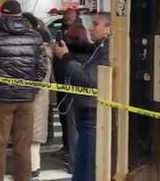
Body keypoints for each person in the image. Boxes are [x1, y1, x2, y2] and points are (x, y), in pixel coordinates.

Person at [0, 0, 47, 181]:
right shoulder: (35, 37)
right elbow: (42, 68)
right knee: (22, 146)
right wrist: (31, 88)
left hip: (0, 98)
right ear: (20, 14)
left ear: (2, 14)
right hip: (26, 98)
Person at [54, 12, 110, 181]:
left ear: (109, 29)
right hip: (87, 113)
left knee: (87, 167)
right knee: (82, 164)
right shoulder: (98, 48)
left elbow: (89, 79)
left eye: (96, 24)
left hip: (93, 115)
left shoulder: (107, 50)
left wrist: (66, 57)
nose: (91, 28)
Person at [53, 23, 94, 173]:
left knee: (74, 134)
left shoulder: (66, 55)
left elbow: (60, 74)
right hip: (92, 99)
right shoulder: (93, 51)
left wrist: (62, 56)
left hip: (73, 99)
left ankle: (73, 165)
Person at [22, 12, 53, 178]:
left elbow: (42, 77)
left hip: (36, 96)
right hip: (34, 95)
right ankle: (32, 166)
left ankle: (33, 167)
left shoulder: (42, 53)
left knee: (33, 136)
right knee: (30, 134)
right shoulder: (42, 50)